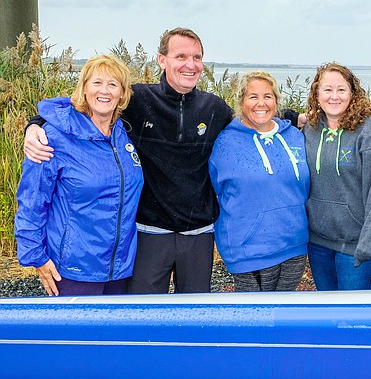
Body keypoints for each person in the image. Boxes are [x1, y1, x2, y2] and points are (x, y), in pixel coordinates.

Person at [24, 28, 234, 293]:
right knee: (139, 317)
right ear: (162, 60)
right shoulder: (138, 100)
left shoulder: (214, 108)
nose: (190, 65)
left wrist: (292, 117)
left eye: (197, 57)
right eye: (181, 56)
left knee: (193, 317)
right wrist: (35, 125)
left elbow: (248, 125)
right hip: (148, 232)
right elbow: (79, 105)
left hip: (198, 233)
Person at [15, 55, 144, 296]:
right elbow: (32, 200)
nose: (104, 91)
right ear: (84, 88)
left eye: (113, 84)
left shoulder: (123, 134)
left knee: (113, 334)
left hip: (119, 270)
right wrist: (36, 256)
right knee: (76, 335)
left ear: (123, 94)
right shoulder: (53, 138)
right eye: (97, 83)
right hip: (74, 270)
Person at [209, 71, 310, 291]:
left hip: (294, 243)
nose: (261, 103)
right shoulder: (225, 142)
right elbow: (215, 189)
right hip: (248, 250)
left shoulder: (295, 136)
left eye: (268, 96)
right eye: (253, 97)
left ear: (276, 100)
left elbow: (305, 187)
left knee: (283, 315)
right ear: (241, 102)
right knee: (255, 318)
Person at [303, 63, 371, 290]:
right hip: (319, 242)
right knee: (328, 312)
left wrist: (367, 244)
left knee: (353, 318)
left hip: (358, 245)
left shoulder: (368, 130)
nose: (334, 96)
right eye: (327, 89)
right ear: (317, 93)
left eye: (341, 90)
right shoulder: (311, 129)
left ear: (352, 93)